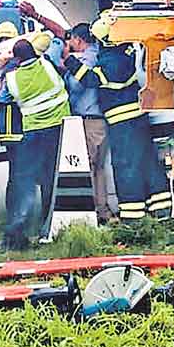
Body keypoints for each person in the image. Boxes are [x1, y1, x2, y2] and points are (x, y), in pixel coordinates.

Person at [63, 15, 172, 222]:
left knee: (125, 166)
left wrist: (69, 62)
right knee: (148, 162)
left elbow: (91, 80)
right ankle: (162, 209)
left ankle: (133, 218)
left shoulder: (112, 60)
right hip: (137, 119)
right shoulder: (126, 50)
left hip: (122, 122)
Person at [0, 39, 70, 250]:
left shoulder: (12, 78)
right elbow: (55, 40)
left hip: (32, 133)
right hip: (58, 128)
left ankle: (16, 233)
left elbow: (0, 100)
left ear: (17, 58)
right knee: (50, 180)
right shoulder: (47, 63)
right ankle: (47, 226)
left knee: (26, 184)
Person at [64, 24, 115, 223]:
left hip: (90, 122)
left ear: (78, 40)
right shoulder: (100, 54)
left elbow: (78, 85)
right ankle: (102, 211)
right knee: (99, 169)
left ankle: (94, 212)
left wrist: (67, 67)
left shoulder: (87, 59)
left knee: (89, 167)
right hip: (100, 120)